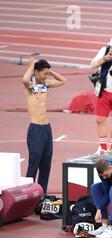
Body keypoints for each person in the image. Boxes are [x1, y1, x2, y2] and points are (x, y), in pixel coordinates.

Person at [22, 57, 66, 195]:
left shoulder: (45, 84)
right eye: (44, 73)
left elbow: (63, 81)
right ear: (36, 72)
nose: (46, 76)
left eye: (47, 73)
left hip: (47, 128)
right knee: (34, 163)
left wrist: (50, 71)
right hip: (36, 129)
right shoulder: (29, 86)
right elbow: (24, 80)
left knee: (46, 164)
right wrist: (31, 65)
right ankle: (27, 194)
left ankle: (42, 195)